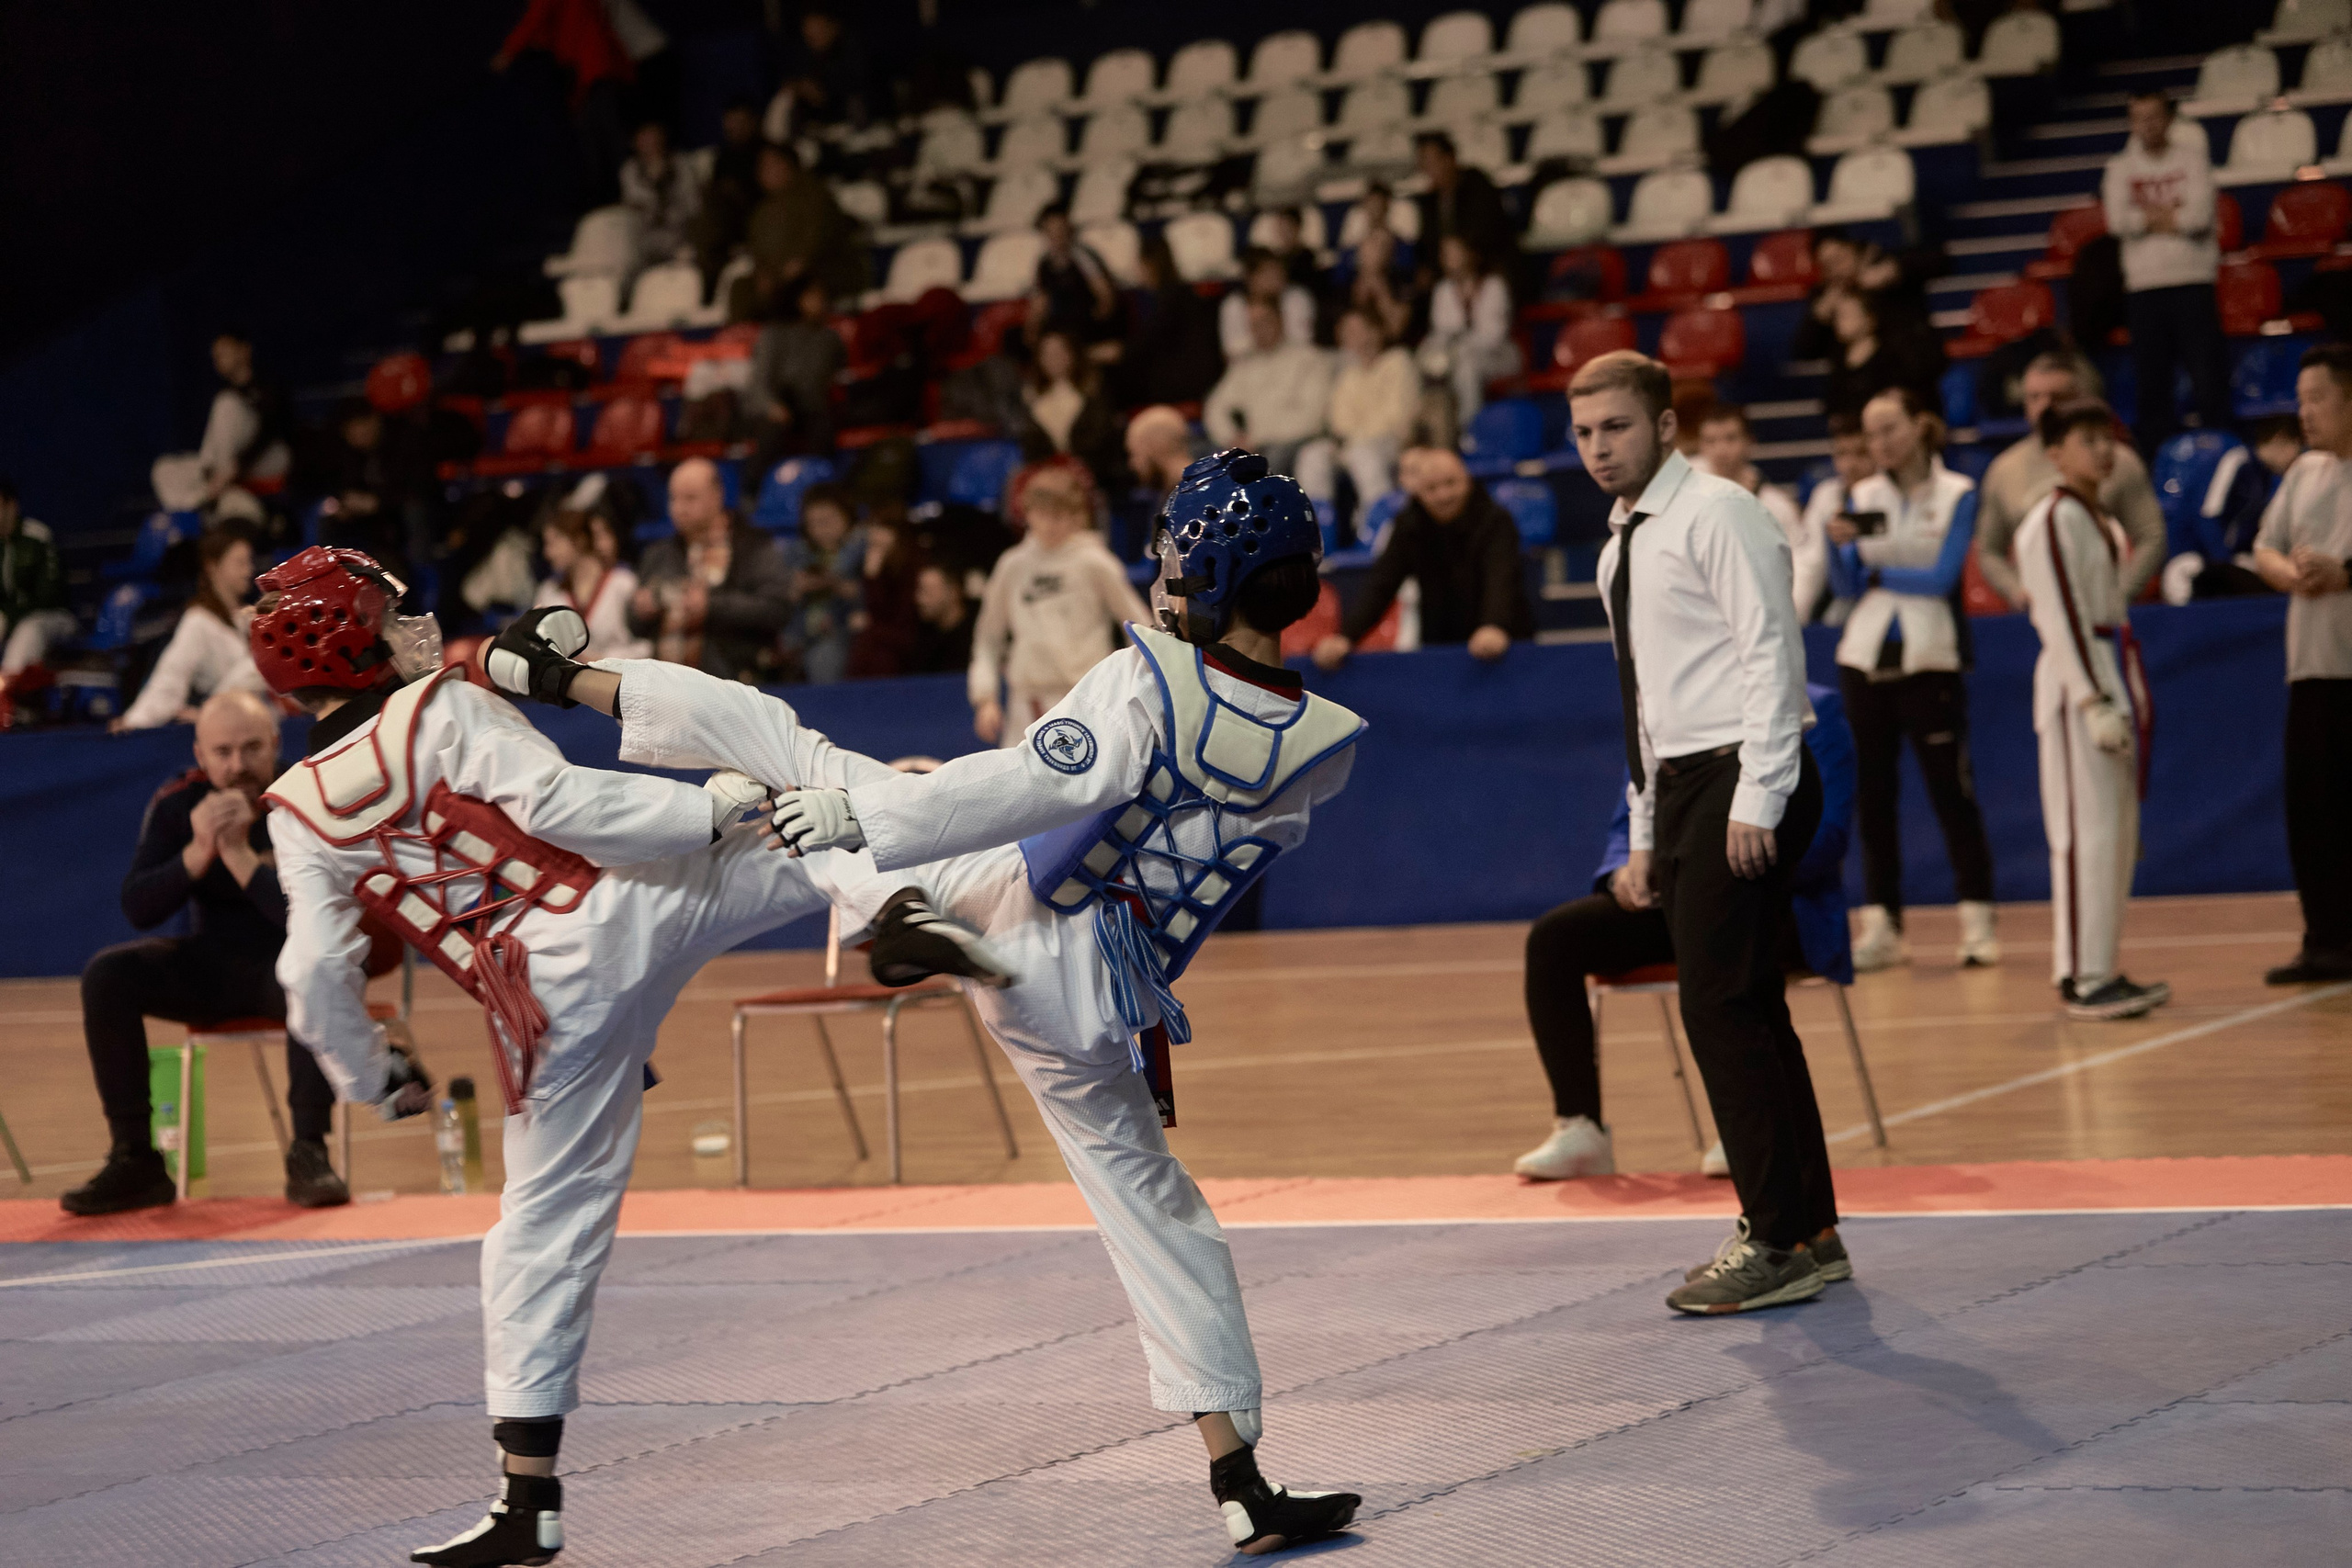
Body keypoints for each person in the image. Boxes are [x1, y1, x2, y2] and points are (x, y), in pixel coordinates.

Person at [486, 447, 1370, 1555]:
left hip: (1020, 921)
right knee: (1160, 1217)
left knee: (790, 755)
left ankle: (572, 689)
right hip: (1108, 1004)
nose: (1164, 578)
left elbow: (1034, 783)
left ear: (1218, 573)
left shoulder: (1149, 683)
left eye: (1178, 559)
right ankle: (1239, 1477)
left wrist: (869, 823)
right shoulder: (1320, 749)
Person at [255, 545, 1005, 1566]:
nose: (413, 626)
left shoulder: (295, 808)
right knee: (802, 800)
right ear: (349, 642)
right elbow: (570, 810)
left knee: (537, 1233)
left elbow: (309, 973)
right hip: (617, 905)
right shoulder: (438, 708)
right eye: (390, 616)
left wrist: (370, 1076)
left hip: (534, 1006)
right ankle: (896, 911)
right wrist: (708, 807)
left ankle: (527, 1501)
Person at [1574, 349, 1838, 1314]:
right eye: (1585, 433)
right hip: (1684, 781)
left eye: (1616, 428)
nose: (1599, 449)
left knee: (1718, 1007)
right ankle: (1807, 1228)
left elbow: (1772, 653)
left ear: (1664, 427)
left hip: (1745, 768)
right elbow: (1640, 704)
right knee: (1747, 1006)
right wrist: (1643, 828)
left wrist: (1760, 797)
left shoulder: (1718, 512)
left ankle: (1775, 1239)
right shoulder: (1619, 548)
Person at [1516, 683, 1857, 1199]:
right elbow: (1633, 814)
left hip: (1772, 897)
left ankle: (1744, 1126)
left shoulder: (1812, 705)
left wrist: (1712, 869)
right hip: (1677, 896)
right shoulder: (1672, 700)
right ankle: (1579, 1125)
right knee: (1556, 939)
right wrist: (1623, 875)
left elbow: (1825, 834)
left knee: (1721, 940)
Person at [60, 690, 350, 1216]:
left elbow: (314, 920)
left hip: (286, 966)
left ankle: (309, 1151)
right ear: (200, 755)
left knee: (315, 973)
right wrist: (198, 851)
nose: (237, 765)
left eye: (251, 749)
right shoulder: (178, 801)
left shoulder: (308, 796)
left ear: (275, 744)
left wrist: (238, 854)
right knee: (109, 975)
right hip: (211, 963)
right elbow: (138, 906)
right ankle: (136, 1160)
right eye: (223, 752)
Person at [1826, 386, 2000, 970]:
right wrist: (1839, 553)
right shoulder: (1861, 494)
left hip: (1931, 662)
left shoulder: (1958, 493)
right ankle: (1883, 926)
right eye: (1871, 434)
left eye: (1890, 429)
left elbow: (1943, 577)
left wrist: (1874, 569)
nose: (1880, 444)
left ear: (1919, 427)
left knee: (1952, 794)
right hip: (1865, 660)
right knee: (1873, 799)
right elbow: (1848, 589)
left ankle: (1977, 920)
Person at [2013, 398, 2172, 1020]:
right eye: (2086, 439)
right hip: (2082, 681)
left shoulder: (2096, 518)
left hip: (2108, 666)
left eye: (2106, 438)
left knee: (2112, 832)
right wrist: (2092, 698)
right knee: (2085, 833)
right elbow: (2059, 618)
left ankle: (2093, 964)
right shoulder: (2052, 519)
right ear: (2055, 453)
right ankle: (2086, 975)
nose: (2102, 450)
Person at [2253, 343, 2352, 984]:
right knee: (2311, 810)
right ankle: (2325, 939)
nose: (2305, 413)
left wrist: (2345, 573)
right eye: (2300, 399)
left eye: (2317, 399)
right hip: (2311, 666)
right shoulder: (2304, 474)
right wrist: (2293, 574)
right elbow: (2263, 546)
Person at [967, 464, 1150, 744]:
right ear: (1026, 513)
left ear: (1078, 516)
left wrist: (1139, 688)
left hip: (1088, 698)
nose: (1052, 524)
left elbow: (1140, 629)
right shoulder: (1012, 565)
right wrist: (985, 697)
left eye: (1061, 515)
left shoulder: (1095, 562)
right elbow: (988, 637)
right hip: (1028, 704)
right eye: (1043, 514)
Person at [1313, 448, 1533, 670]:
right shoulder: (1409, 525)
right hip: (1440, 649)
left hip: (1507, 648)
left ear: (1467, 480)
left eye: (1451, 483)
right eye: (1432, 488)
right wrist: (1345, 637)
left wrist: (1494, 626)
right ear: (1418, 491)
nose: (1443, 495)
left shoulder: (1496, 520)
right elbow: (1381, 584)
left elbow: (1501, 578)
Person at [1977, 352, 2168, 606]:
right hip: (2039, 608)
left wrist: (2121, 593)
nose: (2045, 406)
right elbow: (1988, 550)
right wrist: (2017, 592)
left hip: (2105, 601)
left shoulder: (2116, 460)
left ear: (2080, 399)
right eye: (2034, 397)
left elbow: (2151, 534)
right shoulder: (2003, 470)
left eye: (2057, 397)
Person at [2103, 91, 2228, 453]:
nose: (2147, 125)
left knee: (2208, 381)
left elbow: (2200, 216)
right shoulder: (2119, 167)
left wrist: (2144, 220)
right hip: (2143, 288)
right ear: (2130, 122)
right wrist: (2173, 214)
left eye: (2154, 116)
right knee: (2152, 387)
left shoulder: (2193, 160)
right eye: (2139, 118)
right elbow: (2116, 221)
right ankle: (2159, 463)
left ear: (2169, 118)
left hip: (2193, 283)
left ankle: (2222, 452)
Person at [626, 457, 793, 682]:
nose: (679, 508)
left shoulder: (752, 547)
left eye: (690, 498)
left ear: (717, 496)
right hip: (667, 688)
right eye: (674, 498)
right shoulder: (660, 553)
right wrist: (640, 610)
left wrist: (712, 606)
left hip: (736, 681)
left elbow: (778, 608)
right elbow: (634, 625)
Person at [114, 525, 270, 731]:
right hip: (231, 729)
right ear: (213, 567)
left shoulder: (247, 618)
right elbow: (170, 677)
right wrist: (134, 721)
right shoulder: (198, 620)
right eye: (240, 563)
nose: (249, 570)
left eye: (249, 562)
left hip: (264, 723)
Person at [1698, 405, 1821, 622]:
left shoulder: (1776, 505)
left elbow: (1801, 565)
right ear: (1701, 446)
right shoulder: (1686, 501)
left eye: (1730, 438)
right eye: (1711, 441)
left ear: (1749, 442)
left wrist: (1789, 616)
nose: (1721, 450)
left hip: (1761, 618)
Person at [1297, 307, 1418, 524]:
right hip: (1351, 446)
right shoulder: (1347, 375)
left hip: (1392, 443)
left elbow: (1398, 417)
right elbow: (1339, 421)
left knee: (1363, 455)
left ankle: (1379, 527)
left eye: (1356, 330)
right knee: (1312, 455)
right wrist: (1349, 442)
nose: (1350, 337)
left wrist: (1355, 440)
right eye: (1346, 332)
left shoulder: (1399, 361)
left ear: (1376, 331)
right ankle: (1322, 530)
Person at [153, 331, 291, 517]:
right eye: (215, 356)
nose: (218, 360)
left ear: (244, 350)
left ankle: (215, 485)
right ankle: (199, 500)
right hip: (227, 471)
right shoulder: (224, 392)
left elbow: (272, 430)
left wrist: (237, 465)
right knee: (164, 468)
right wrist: (211, 470)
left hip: (269, 461)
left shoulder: (268, 384)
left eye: (224, 352)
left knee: (226, 403)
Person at [731, 141, 867, 322]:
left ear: (790, 164)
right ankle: (746, 341)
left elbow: (820, 238)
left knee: (800, 288)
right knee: (742, 288)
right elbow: (757, 250)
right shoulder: (762, 211)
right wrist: (764, 273)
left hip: (822, 270)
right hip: (781, 277)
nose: (768, 172)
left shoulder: (816, 196)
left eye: (774, 164)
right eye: (763, 167)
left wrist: (799, 265)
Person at [1204, 299, 1335, 479]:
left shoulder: (1308, 359)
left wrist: (1257, 438)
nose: (1258, 329)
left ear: (1280, 320)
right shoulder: (1245, 364)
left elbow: (1313, 418)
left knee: (1267, 463)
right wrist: (1232, 437)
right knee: (1203, 458)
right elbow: (1216, 408)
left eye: (1264, 322)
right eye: (1252, 325)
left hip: (1294, 443)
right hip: (1251, 445)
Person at [1104, 234, 1224, 409]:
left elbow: (1140, 346)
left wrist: (1102, 353)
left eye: (1139, 264)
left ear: (1150, 265)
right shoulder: (1178, 295)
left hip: (1188, 382)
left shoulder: (1172, 300)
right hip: (1192, 375)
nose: (1136, 270)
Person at [747, 275, 846, 465]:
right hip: (777, 402)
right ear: (797, 298)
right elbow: (758, 384)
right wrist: (772, 407)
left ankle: (822, 483)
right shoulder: (773, 335)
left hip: (812, 407)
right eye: (814, 295)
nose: (821, 300)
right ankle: (755, 490)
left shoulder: (830, 339)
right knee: (770, 429)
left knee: (823, 425)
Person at [1424, 234, 1521, 427]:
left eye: (1455, 252)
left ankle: (1471, 428)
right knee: (1426, 360)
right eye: (1446, 254)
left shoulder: (1493, 285)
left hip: (1498, 355)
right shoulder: (1442, 290)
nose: (1451, 259)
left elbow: (1494, 336)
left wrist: (1459, 345)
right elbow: (1441, 332)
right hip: (1455, 355)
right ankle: (1436, 430)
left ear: (1471, 254)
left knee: (1467, 368)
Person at [1018, 328, 1126, 495]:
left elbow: (1102, 444)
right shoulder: (1030, 400)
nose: (1054, 359)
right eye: (1047, 353)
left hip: (1095, 483)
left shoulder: (1094, 394)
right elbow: (1031, 451)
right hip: (1048, 484)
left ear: (1073, 354)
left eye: (1059, 352)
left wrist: (1075, 468)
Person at [534, 509, 648, 660]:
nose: (547, 553)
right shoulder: (549, 592)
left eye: (554, 542)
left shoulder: (623, 583)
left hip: (616, 678)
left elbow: (646, 646)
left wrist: (599, 659)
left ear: (580, 540)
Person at [1820, 288, 1946, 424]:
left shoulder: (1891, 355)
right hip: (1852, 432)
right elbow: (1832, 404)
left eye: (1848, 314)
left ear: (1870, 319)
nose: (1840, 321)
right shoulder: (1839, 360)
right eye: (1838, 316)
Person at [0, 477, 73, 708]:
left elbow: (49, 597)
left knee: (29, 627)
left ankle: (6, 697)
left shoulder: (38, 537)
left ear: (11, 506)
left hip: (56, 619)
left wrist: (9, 615)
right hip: (12, 619)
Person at [781, 483, 864, 684]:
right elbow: (785, 597)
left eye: (827, 521)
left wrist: (834, 583)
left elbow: (866, 597)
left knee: (825, 655)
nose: (820, 531)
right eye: (813, 524)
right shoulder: (797, 552)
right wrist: (797, 588)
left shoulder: (860, 547)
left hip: (842, 630)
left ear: (846, 516)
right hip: (800, 632)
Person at [616, 119, 700, 299]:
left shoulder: (682, 165)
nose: (650, 142)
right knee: (629, 276)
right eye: (644, 137)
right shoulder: (630, 171)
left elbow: (692, 207)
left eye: (653, 135)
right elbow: (637, 209)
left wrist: (665, 188)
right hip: (646, 246)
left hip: (681, 240)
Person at [690, 100, 764, 298]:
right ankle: (708, 287)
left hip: (761, 217)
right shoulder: (723, 158)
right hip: (729, 225)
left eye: (740, 121)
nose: (735, 127)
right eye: (730, 122)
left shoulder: (768, 153)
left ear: (753, 121)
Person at [1413, 131, 1513, 277]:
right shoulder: (1430, 201)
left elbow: (1490, 231)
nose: (1427, 170)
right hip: (1446, 273)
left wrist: (1463, 252)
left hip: (1485, 266)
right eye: (1424, 164)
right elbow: (1428, 244)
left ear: (1448, 159)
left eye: (1431, 162)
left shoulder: (1476, 183)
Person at [767, 2, 873, 134]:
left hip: (853, 118)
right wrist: (801, 87)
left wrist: (824, 91)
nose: (812, 36)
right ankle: (778, 145)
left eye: (818, 30)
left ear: (834, 27)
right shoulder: (805, 53)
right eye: (808, 32)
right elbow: (788, 81)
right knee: (785, 99)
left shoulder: (853, 49)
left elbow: (855, 84)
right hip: (817, 122)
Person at [1033, 203, 1122, 347]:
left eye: (1060, 229)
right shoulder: (1044, 263)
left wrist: (1099, 317)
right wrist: (1032, 330)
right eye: (1051, 230)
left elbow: (1105, 296)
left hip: (1086, 319)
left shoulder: (1082, 256)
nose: (1056, 235)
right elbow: (1041, 302)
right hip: (1063, 323)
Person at [1217, 248, 1317, 362]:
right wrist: (1259, 338)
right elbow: (1231, 350)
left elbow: (1303, 341)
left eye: (1279, 273)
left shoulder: (1296, 297)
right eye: (1268, 274)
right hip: (1249, 366)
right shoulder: (1233, 304)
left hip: (1291, 363)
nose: (1276, 280)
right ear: (1250, 278)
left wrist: (1275, 335)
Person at [906, 560, 975, 675]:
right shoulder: (920, 637)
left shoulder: (978, 633)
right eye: (919, 591)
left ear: (953, 592)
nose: (919, 600)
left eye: (927, 592)